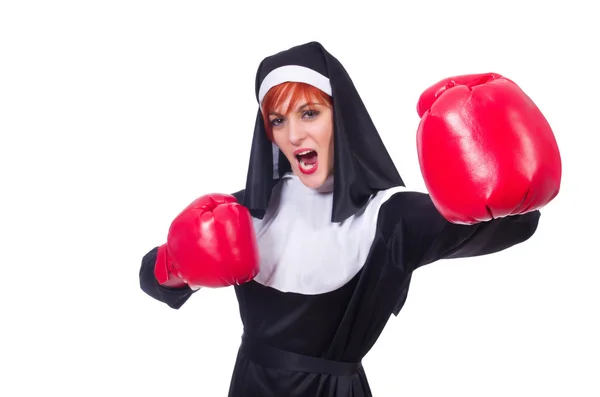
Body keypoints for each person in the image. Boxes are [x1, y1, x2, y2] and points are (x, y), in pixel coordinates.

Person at [138, 42, 561, 397]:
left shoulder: (389, 217)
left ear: (341, 117)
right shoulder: (245, 211)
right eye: (278, 120)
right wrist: (177, 267)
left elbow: (511, 224)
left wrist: (502, 168)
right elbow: (152, 277)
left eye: (309, 113)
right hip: (250, 385)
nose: (294, 135)